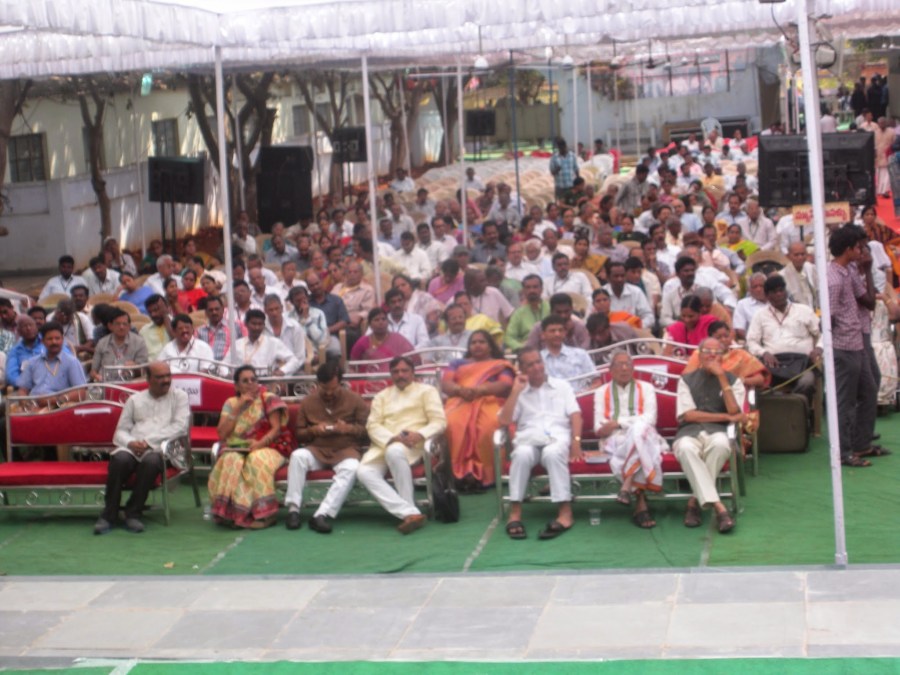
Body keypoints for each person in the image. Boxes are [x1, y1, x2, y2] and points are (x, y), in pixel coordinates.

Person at [94, 362, 190, 535]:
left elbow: (180, 427)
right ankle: (109, 514)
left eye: (168, 376)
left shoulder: (179, 397)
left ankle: (133, 512)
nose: (166, 380)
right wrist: (131, 443)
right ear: (148, 379)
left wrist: (147, 442)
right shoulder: (135, 400)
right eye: (160, 377)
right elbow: (120, 431)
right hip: (133, 446)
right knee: (119, 460)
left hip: (164, 448)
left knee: (151, 462)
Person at [498, 346, 582, 540]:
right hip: (529, 438)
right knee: (521, 454)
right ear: (522, 369)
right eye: (530, 365)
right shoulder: (519, 391)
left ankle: (565, 512)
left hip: (557, 436)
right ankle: (515, 512)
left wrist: (576, 442)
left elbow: (575, 415)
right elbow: (504, 420)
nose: (536, 367)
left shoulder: (562, 386)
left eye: (538, 362)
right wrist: (515, 391)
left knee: (552, 453)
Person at [357, 356, 447, 534]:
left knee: (395, 451)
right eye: (396, 372)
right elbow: (372, 425)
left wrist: (419, 434)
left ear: (413, 373)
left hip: (414, 445)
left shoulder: (427, 391)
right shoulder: (382, 396)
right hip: (385, 444)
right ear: (391, 374)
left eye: (405, 371)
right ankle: (409, 512)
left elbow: (439, 421)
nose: (400, 375)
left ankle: (409, 509)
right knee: (363, 472)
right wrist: (392, 438)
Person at [285, 361, 370, 533]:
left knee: (352, 467)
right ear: (318, 384)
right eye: (325, 389)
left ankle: (321, 514)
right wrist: (313, 430)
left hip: (346, 450)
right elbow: (299, 434)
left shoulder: (355, 400)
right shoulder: (308, 402)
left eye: (333, 389)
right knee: (298, 456)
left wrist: (348, 428)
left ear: (340, 383)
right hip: (317, 449)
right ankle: (293, 509)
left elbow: (367, 432)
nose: (329, 393)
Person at [673, 337, 746, 533]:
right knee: (686, 448)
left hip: (718, 432)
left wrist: (721, 377)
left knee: (721, 445)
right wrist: (726, 416)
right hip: (689, 432)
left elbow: (734, 409)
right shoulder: (686, 380)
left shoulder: (734, 381)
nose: (712, 356)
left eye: (717, 352)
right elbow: (688, 415)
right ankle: (719, 507)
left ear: (723, 357)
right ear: (699, 355)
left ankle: (693, 503)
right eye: (707, 351)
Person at [208, 365, 294, 529]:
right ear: (236, 386)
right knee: (231, 460)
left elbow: (276, 429)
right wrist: (239, 406)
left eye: (253, 379)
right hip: (237, 448)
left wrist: (259, 444)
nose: (250, 384)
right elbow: (222, 434)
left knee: (255, 460)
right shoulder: (231, 403)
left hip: (269, 447)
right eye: (245, 381)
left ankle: (266, 514)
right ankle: (235, 513)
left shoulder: (268, 399)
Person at [593, 351, 669, 528]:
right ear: (610, 370)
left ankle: (628, 487)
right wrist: (617, 426)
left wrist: (618, 423)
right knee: (639, 438)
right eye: (619, 364)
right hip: (615, 440)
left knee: (639, 431)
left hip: (644, 434)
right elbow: (598, 426)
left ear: (633, 368)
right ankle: (640, 503)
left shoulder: (647, 388)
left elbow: (650, 419)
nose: (624, 368)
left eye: (628, 364)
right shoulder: (601, 392)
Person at [827, 226, 879, 466]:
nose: (861, 251)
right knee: (845, 401)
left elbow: (868, 301)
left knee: (869, 390)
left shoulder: (848, 270)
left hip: (856, 341)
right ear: (848, 249)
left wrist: (866, 271)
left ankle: (861, 444)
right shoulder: (833, 279)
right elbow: (829, 319)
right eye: (858, 247)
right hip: (843, 345)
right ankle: (843, 452)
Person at [442, 330, 514, 490]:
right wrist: (460, 390)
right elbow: (446, 384)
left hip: (490, 401)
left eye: (482, 342)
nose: (477, 345)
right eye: (473, 342)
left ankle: (487, 474)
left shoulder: (500, 364)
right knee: (452, 423)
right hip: (460, 400)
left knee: (488, 426)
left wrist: (480, 390)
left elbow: (505, 384)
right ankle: (458, 473)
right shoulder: (457, 364)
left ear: (490, 346)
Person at [684, 321, 769, 388]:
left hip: (734, 393)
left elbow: (760, 380)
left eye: (726, 336)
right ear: (710, 338)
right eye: (718, 337)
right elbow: (688, 378)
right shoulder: (701, 354)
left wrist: (738, 381)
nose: (723, 340)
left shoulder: (740, 354)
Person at [16, 321, 87, 397]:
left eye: (57, 338)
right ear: (42, 341)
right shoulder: (33, 362)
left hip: (61, 403)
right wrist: (24, 401)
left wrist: (55, 400)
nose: (54, 342)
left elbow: (81, 392)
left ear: (62, 340)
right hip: (34, 401)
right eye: (49, 339)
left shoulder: (72, 362)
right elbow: (23, 389)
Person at [225, 309, 301, 376]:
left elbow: (294, 361)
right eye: (254, 324)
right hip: (241, 384)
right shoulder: (237, 344)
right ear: (246, 324)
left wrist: (282, 371)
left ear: (264, 325)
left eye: (260, 324)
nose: (257, 327)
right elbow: (224, 364)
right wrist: (226, 374)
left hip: (265, 383)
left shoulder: (273, 343)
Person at [539, 315, 596, 392]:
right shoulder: (537, 360)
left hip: (580, 396)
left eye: (560, 330)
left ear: (565, 333)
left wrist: (581, 394)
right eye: (552, 331)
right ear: (543, 335)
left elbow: (596, 382)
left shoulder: (580, 354)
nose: (557, 334)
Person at [90, 309, 149, 382]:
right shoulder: (102, 343)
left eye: (125, 324)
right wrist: (97, 377)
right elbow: (93, 372)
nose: (121, 327)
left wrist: (135, 367)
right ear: (110, 326)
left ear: (129, 326)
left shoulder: (139, 342)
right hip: (105, 382)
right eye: (118, 324)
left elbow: (144, 371)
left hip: (130, 383)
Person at [350, 307, 415, 370]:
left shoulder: (398, 339)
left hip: (396, 375)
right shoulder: (363, 342)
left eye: (383, 319)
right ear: (370, 324)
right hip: (370, 376)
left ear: (388, 322)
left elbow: (414, 358)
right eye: (376, 320)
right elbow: (352, 366)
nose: (381, 322)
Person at [505, 274, 550, 352]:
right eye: (528, 287)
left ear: (542, 289)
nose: (532, 290)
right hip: (527, 352)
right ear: (523, 291)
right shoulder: (518, 313)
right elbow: (509, 338)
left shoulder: (550, 308)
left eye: (535, 287)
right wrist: (522, 348)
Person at [197, 295, 242, 362]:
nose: (214, 312)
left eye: (217, 309)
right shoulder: (199, 331)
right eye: (211, 310)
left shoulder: (235, 326)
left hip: (230, 364)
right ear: (206, 313)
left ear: (223, 309)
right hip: (207, 364)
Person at [263, 294, 307, 364]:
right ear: (265, 311)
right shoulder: (261, 328)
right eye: (271, 310)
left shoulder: (294, 327)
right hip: (269, 367)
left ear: (282, 308)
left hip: (293, 367)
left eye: (277, 309)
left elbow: (300, 357)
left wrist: (285, 369)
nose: (274, 313)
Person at [139, 294, 173, 361]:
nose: (153, 315)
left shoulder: (180, 325)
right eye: (150, 312)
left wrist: (165, 316)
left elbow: (179, 342)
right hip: (152, 365)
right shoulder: (144, 331)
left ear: (167, 308)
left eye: (156, 310)